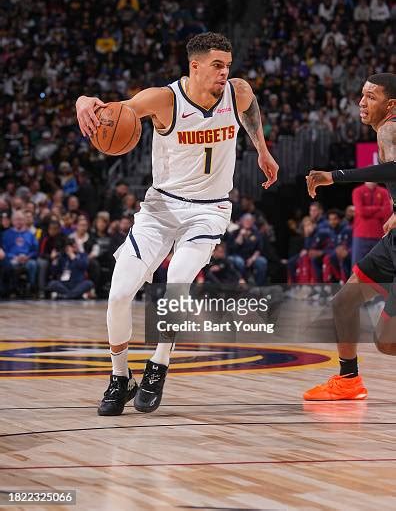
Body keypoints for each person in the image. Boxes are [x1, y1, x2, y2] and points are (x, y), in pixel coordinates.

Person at [76, 32, 279, 415]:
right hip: (160, 209)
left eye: (228, 65)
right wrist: (83, 101)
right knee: (119, 294)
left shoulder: (238, 92)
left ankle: (160, 363)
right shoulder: (165, 99)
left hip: (209, 209)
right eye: (217, 65)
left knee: (179, 278)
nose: (225, 72)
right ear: (195, 66)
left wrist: (263, 151)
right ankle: (120, 377)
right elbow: (112, 109)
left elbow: (251, 112)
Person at [304, 73, 396, 400]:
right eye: (362, 94)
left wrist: (335, 176)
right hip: (393, 242)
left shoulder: (390, 128)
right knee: (344, 302)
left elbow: (394, 169)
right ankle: (348, 380)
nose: (362, 101)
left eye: (371, 96)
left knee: (387, 342)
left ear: (391, 104)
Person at [352, 182, 392, 265]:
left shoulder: (384, 192)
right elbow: (360, 211)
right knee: (357, 265)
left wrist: (367, 210)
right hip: (361, 235)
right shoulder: (358, 191)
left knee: (379, 265)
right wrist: (379, 208)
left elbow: (387, 211)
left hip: (379, 235)